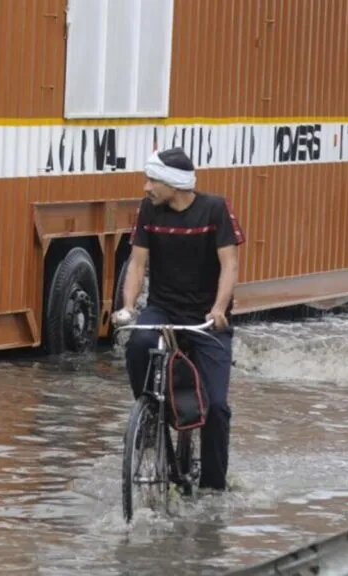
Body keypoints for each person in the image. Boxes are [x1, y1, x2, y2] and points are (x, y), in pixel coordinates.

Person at [115, 146, 245, 493]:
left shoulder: (214, 210)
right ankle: (149, 419)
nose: (146, 187)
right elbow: (137, 263)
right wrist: (129, 307)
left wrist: (219, 308)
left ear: (173, 183)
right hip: (163, 308)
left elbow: (230, 265)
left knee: (216, 407)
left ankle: (213, 489)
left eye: (152, 180)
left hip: (206, 317)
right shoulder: (148, 210)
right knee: (138, 344)